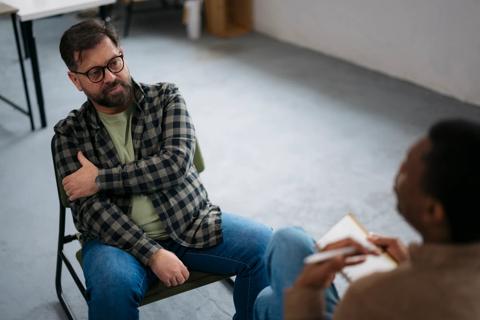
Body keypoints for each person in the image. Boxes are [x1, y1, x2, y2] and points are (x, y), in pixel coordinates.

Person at [53, 19, 272, 320]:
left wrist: (101, 179)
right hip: (117, 244)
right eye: (95, 72)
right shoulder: (69, 135)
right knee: (111, 287)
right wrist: (152, 253)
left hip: (189, 222)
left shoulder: (166, 98)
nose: (111, 77)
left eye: (115, 62)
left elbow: (175, 164)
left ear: (122, 54)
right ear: (75, 80)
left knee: (264, 247)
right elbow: (92, 212)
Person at [254, 119, 480, 320]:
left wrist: (308, 289)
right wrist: (412, 266)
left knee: (287, 244)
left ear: (433, 211)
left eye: (406, 170)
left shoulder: (371, 298)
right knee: (266, 299)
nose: (397, 173)